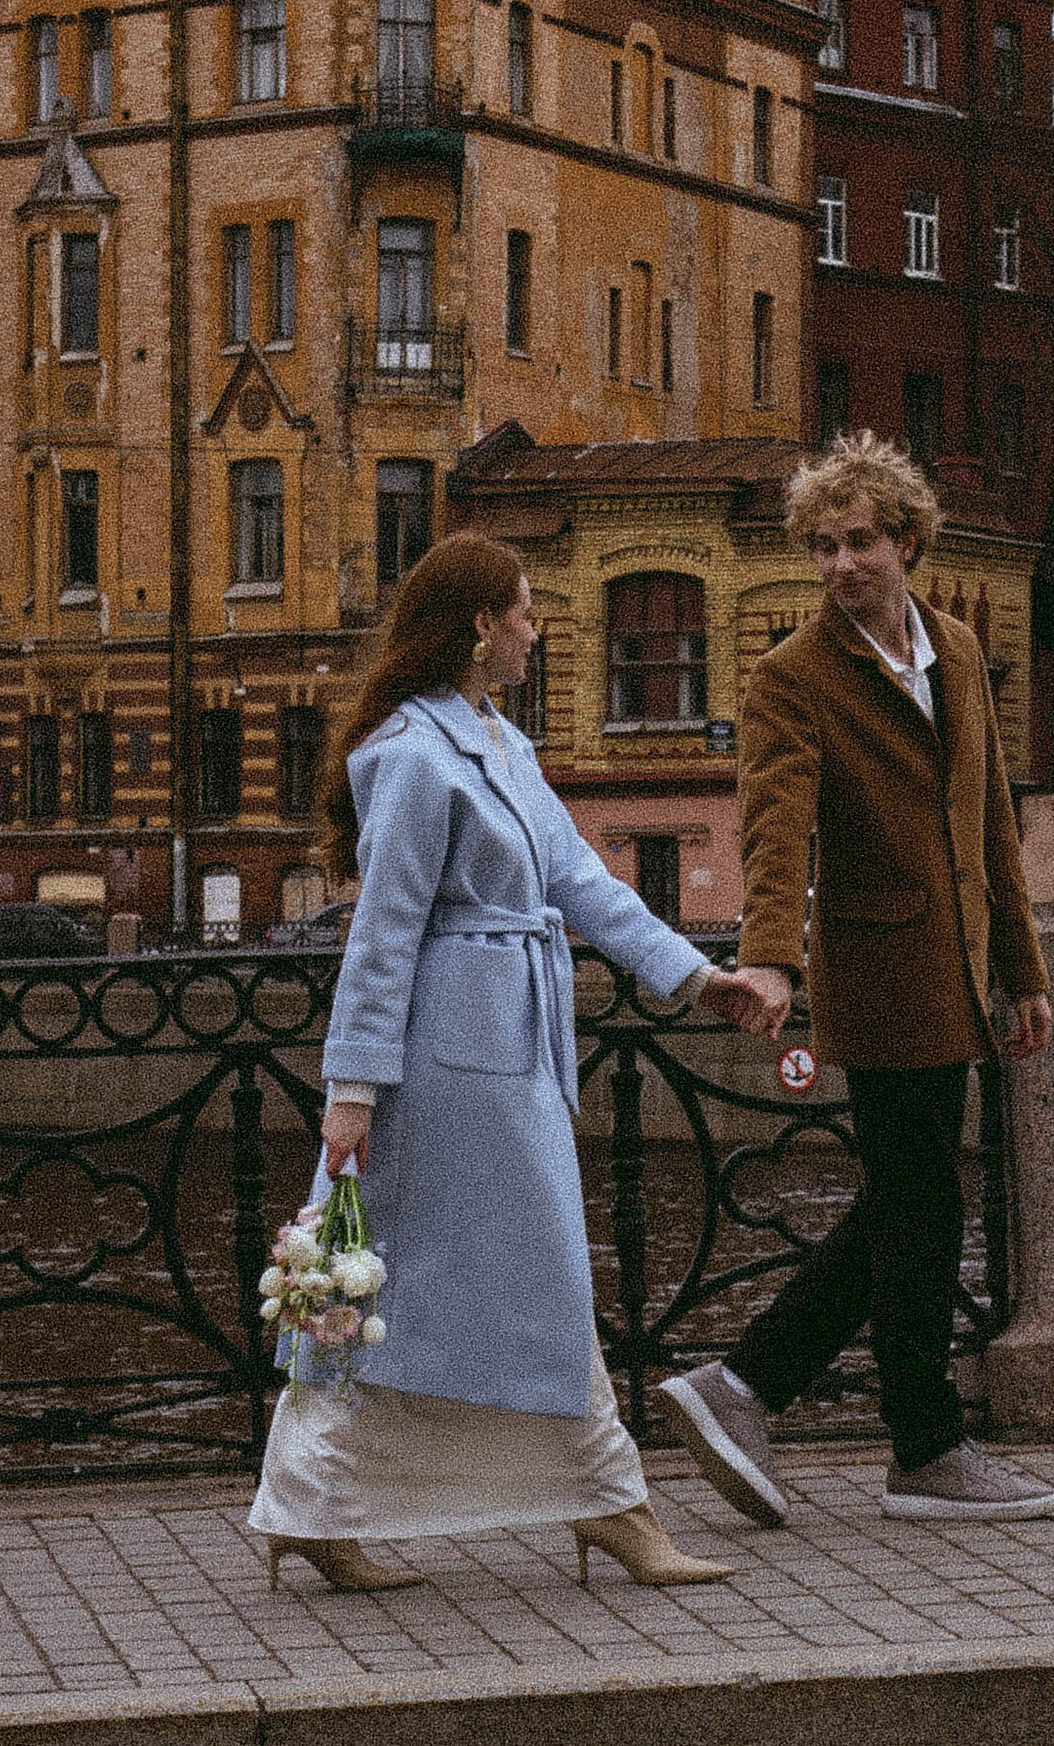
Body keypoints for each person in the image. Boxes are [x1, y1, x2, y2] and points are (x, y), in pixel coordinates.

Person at [250, 534, 789, 1596]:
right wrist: (351, 1092)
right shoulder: (411, 753)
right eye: (528, 615)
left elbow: (583, 883)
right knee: (489, 1282)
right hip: (447, 1062)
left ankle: (319, 1509)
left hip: (501, 1050)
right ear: (481, 625)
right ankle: (611, 1508)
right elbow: (383, 930)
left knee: (426, 1290)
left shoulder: (496, 741)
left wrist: (692, 978)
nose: (539, 634)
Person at [663, 433, 1054, 1524]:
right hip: (881, 970)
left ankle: (746, 1386)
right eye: (824, 547)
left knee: (911, 1200)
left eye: (861, 542)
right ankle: (918, 1444)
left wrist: (1021, 972)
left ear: (909, 543)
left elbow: (989, 819)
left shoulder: (961, 652)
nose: (841, 565)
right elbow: (774, 822)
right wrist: (771, 957)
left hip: (961, 968)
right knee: (920, 1202)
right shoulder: (793, 676)